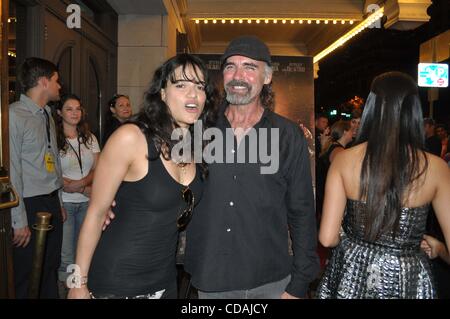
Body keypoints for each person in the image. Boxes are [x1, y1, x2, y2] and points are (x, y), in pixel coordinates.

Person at [67, 53, 216, 299]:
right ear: (162, 93)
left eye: (199, 87)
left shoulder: (198, 147)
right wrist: (77, 283)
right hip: (116, 282)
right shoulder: (131, 138)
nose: (193, 94)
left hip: (166, 282)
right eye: (181, 85)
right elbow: (95, 213)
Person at [184, 35, 319, 299]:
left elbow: (302, 210)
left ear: (266, 77)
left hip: (270, 280)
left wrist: (300, 281)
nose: (238, 75)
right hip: (212, 278)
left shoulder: (287, 135)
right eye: (230, 66)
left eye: (249, 67)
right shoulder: (197, 130)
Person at [317, 71, 450, 299]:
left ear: (371, 108)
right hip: (409, 277)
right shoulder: (436, 168)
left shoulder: (344, 160)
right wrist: (438, 249)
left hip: (354, 275)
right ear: (414, 111)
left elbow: (327, 238)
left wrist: (354, 240)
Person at [9, 57, 65, 298]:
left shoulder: (47, 114)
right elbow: (12, 170)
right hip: (29, 205)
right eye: (56, 80)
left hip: (51, 202)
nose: (59, 86)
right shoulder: (13, 115)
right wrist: (17, 218)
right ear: (43, 82)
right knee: (27, 274)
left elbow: (52, 163)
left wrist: (59, 202)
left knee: (49, 268)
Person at [54, 94, 100, 293]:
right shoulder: (53, 138)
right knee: (66, 257)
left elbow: (98, 169)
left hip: (87, 201)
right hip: (64, 203)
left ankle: (82, 291)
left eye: (78, 109)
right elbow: (51, 171)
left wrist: (81, 185)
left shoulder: (89, 138)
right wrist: (70, 186)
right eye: (69, 109)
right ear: (59, 113)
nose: (74, 113)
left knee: (86, 253)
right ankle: (66, 294)